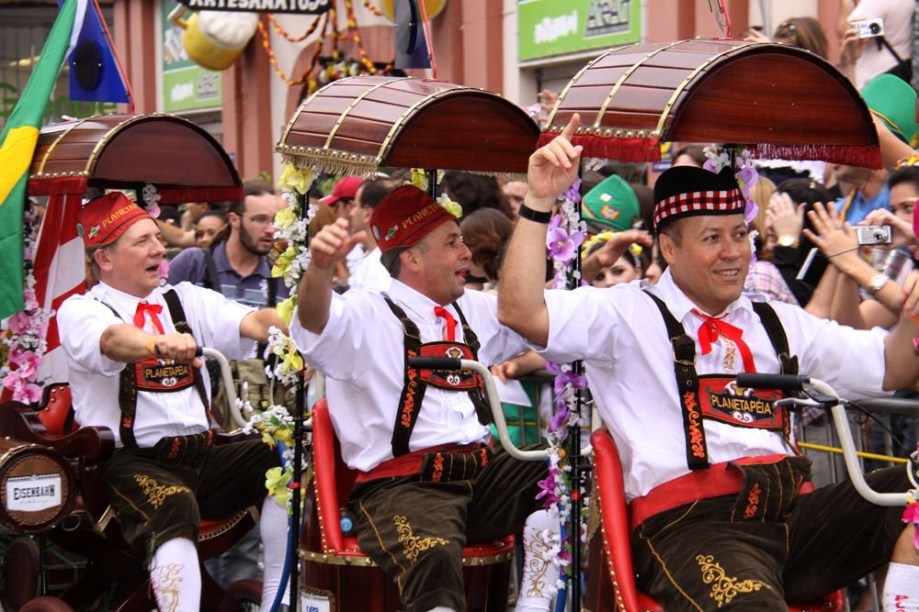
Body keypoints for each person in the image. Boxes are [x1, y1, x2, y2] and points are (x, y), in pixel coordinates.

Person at [499, 114, 919, 610]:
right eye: (712, 238)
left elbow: (891, 368)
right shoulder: (624, 312)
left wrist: (913, 313)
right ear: (670, 248)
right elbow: (521, 311)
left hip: (790, 517)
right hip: (690, 524)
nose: (733, 253)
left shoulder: (776, 319)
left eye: (739, 234)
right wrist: (539, 201)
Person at [289, 185, 559, 612]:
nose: (466, 253)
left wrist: (540, 210)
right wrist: (319, 270)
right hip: (402, 488)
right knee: (432, 555)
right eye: (453, 243)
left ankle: (534, 603)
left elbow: (540, 316)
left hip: (479, 479)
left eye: (463, 241)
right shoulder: (366, 313)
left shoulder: (476, 309)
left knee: (556, 477)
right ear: (412, 258)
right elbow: (314, 324)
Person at [56, 192, 290, 610]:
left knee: (283, 459)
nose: (159, 248)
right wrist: (155, 343)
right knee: (174, 503)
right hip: (128, 464)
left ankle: (277, 600)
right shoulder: (81, 309)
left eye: (157, 238)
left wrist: (297, 325)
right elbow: (111, 341)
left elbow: (252, 320)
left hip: (200, 457)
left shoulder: (182, 298)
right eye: (142, 241)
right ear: (104, 258)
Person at [345, 177, 394, 293]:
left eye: (355, 206)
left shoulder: (379, 264)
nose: (351, 213)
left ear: (367, 212)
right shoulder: (376, 257)